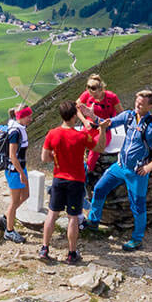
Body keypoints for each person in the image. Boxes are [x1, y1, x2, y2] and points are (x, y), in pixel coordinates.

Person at [82, 88, 152, 251]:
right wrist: (92, 115)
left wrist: (149, 166)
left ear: (149, 106)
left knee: (138, 205)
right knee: (99, 189)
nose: (137, 105)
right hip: (120, 166)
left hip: (137, 173)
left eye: (142, 104)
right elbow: (108, 123)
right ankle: (93, 223)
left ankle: (137, 239)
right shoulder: (129, 116)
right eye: (137, 102)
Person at [38, 102, 96, 264]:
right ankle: (71, 253)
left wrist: (56, 159)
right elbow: (99, 147)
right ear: (73, 117)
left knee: (52, 214)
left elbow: (44, 158)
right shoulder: (81, 136)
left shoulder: (52, 133)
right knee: (72, 217)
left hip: (58, 179)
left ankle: (44, 248)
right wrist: (102, 130)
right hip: (76, 181)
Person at [0, 104, 32, 243]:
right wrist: (21, 173)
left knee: (26, 195)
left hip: (19, 168)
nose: (31, 119)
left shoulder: (19, 127)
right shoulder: (15, 132)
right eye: (28, 116)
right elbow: (13, 156)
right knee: (14, 202)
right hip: (14, 170)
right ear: (21, 117)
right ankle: (9, 231)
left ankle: (6, 217)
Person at [76, 73, 121, 190]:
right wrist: (85, 121)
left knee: (94, 149)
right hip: (89, 127)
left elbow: (122, 115)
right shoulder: (87, 94)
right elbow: (76, 107)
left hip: (104, 131)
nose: (90, 90)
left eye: (93, 88)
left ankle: (84, 179)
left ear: (101, 88)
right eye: (88, 87)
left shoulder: (111, 97)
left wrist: (108, 123)